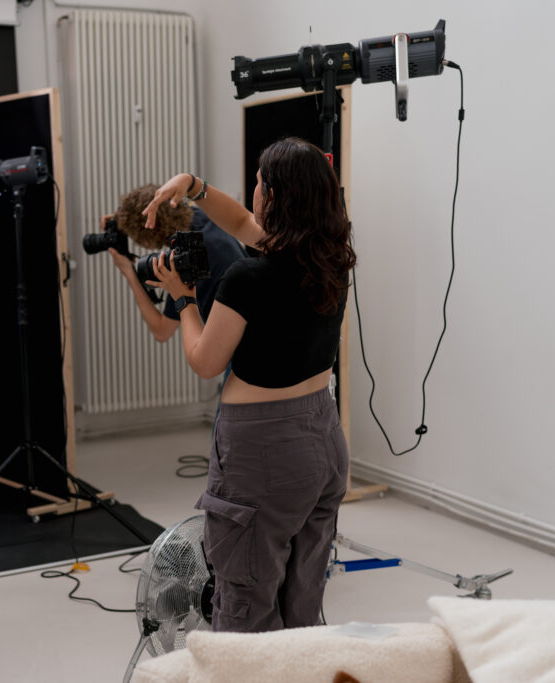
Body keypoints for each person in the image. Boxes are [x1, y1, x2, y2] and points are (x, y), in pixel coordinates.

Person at [142, 137, 356, 633]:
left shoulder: (248, 278)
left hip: (264, 453)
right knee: (302, 597)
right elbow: (240, 223)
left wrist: (183, 298)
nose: (253, 189)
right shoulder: (331, 258)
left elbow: (204, 360)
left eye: (259, 181)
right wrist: (193, 187)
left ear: (274, 197)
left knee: (246, 604)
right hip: (322, 440)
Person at [105, 184, 246, 345]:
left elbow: (162, 331)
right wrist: (120, 218)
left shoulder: (185, 260)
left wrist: (128, 271)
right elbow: (154, 209)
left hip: (239, 346)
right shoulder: (199, 215)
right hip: (258, 319)